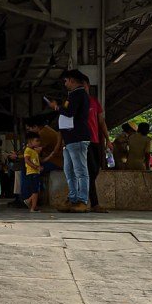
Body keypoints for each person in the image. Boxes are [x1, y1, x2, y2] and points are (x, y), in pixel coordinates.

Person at [57, 69, 91, 213]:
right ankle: (73, 198)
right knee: (69, 171)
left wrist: (56, 107)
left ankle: (82, 200)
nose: (65, 84)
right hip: (70, 139)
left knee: (80, 171)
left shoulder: (78, 94)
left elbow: (70, 112)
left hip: (77, 137)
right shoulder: (74, 95)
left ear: (71, 80)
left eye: (65, 81)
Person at [83, 76, 110, 214]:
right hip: (83, 141)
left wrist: (108, 139)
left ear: (88, 86)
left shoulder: (94, 102)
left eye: (83, 85)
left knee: (94, 170)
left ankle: (89, 201)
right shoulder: (75, 102)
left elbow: (101, 121)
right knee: (89, 171)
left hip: (95, 141)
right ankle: (93, 203)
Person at [22, 132, 42, 212]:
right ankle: (32, 207)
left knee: (35, 191)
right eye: (36, 141)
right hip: (32, 172)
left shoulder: (33, 150)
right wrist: (36, 167)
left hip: (35, 172)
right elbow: (26, 160)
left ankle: (32, 204)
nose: (38, 143)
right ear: (30, 141)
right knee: (35, 191)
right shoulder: (28, 150)